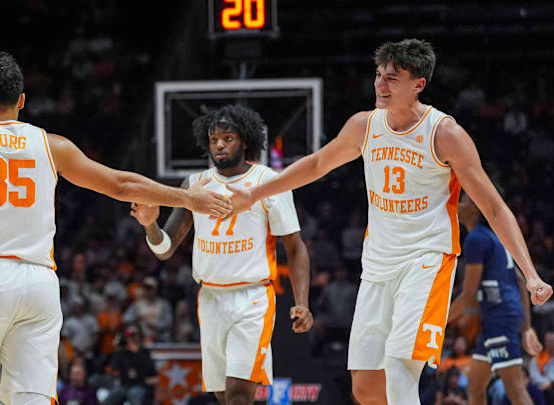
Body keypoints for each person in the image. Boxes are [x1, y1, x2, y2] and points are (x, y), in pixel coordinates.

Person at [0, 52, 231, 405]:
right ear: (23, 100)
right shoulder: (52, 144)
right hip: (40, 284)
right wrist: (189, 200)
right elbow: (121, 184)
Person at [225, 38, 553, 405]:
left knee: (400, 372)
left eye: (391, 77)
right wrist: (254, 193)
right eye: (378, 75)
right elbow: (317, 164)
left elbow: (494, 208)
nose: (380, 84)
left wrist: (531, 274)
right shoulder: (364, 126)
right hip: (378, 263)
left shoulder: (445, 134)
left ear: (418, 84)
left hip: (427, 260)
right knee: (365, 387)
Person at [130, 104, 313, 405]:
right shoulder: (194, 185)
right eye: (214, 139)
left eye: (227, 138)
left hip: (252, 298)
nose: (219, 145)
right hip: (210, 298)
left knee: (239, 395)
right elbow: (164, 249)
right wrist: (150, 224)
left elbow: (295, 247)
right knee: (223, 396)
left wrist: (302, 302)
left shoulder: (268, 182)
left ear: (245, 141)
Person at [448, 191, 543, 405]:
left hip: (500, 317)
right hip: (498, 318)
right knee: (475, 386)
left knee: (515, 388)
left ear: (474, 207)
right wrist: (526, 327)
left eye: (463, 201)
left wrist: (437, 320)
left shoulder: (476, 239)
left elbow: (468, 296)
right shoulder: (493, 236)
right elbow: (519, 280)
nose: (459, 205)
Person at [102, 324, 158, 405]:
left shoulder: (145, 352)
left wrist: (136, 352)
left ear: (140, 335)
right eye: (129, 334)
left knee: (134, 394)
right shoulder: (122, 352)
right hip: (124, 386)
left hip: (139, 386)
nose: (132, 337)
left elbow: (152, 373)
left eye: (134, 334)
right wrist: (117, 349)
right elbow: (113, 368)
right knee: (111, 397)